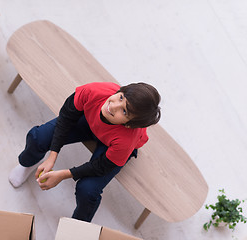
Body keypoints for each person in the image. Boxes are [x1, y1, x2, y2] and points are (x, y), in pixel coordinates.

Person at [9, 81, 161, 222]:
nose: (114, 106)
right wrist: (52, 155)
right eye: (120, 97)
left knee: (87, 190)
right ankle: (28, 163)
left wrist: (64, 174)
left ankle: (77, 227)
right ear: (119, 91)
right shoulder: (94, 91)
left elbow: (102, 166)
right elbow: (67, 116)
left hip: (111, 145)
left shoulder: (126, 140)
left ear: (129, 124)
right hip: (90, 121)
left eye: (125, 111)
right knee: (38, 137)